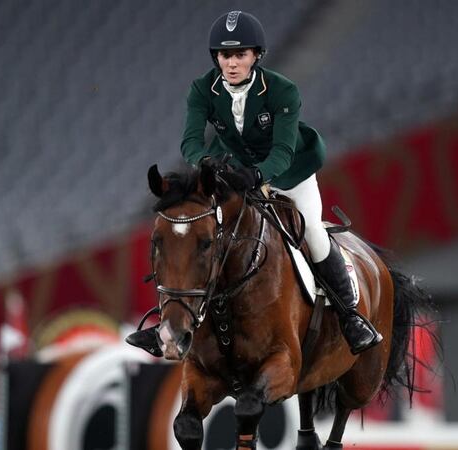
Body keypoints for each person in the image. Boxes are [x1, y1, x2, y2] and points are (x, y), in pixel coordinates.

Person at [127, 10, 381, 356]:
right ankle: (169, 324)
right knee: (193, 233)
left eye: (240, 55)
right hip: (233, 170)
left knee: (312, 233)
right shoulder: (202, 89)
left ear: (256, 56)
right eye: (224, 55)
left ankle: (351, 315)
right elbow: (190, 141)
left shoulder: (282, 91)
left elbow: (282, 150)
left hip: (289, 171)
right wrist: (204, 164)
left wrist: (258, 175)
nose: (231, 63)